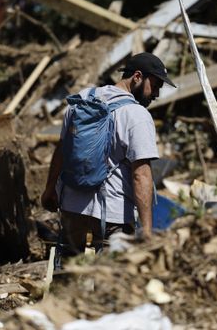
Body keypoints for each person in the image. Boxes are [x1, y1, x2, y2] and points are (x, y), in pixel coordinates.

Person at [40, 52, 177, 257]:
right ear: (137, 77)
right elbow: (141, 174)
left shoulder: (82, 100)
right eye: (155, 85)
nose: (156, 94)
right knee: (111, 282)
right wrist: (147, 230)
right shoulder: (137, 115)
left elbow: (62, 149)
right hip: (113, 214)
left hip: (71, 206)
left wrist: (50, 190)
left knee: (68, 276)